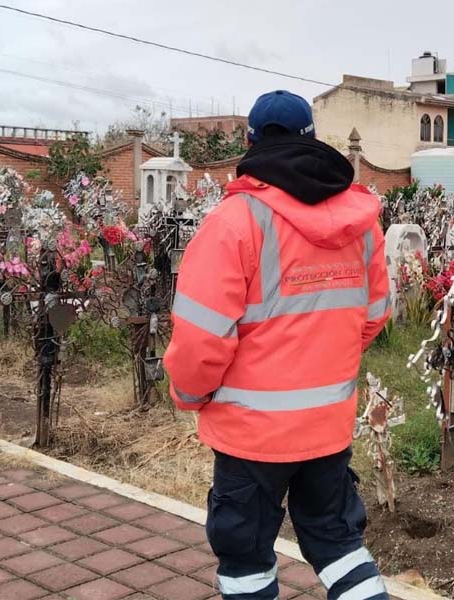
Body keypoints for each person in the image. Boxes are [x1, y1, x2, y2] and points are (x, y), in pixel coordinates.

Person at [164, 90, 392, 600]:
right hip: (327, 425)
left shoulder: (233, 222)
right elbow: (374, 314)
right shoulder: (361, 224)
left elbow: (201, 341)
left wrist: (189, 395)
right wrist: (324, 363)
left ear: (250, 141)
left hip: (251, 435)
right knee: (337, 540)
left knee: (245, 553)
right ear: (313, 139)